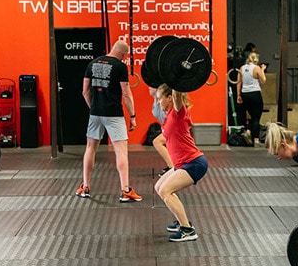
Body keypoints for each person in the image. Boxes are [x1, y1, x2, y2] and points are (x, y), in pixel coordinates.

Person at [75, 40, 142, 202]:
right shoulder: (119, 66)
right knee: (121, 150)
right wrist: (132, 116)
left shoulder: (92, 64)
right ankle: (125, 190)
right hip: (114, 114)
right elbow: (126, 93)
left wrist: (94, 108)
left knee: (90, 148)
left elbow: (85, 91)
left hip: (95, 113)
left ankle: (85, 187)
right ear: (122, 54)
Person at [154, 84, 208, 242]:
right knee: (159, 187)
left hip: (194, 163)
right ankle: (181, 219)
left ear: (169, 98)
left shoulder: (179, 113)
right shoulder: (169, 114)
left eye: (159, 99)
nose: (158, 103)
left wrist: (175, 79)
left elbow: (178, 95)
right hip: (182, 163)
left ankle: (187, 230)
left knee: (166, 191)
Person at [236, 52, 267, 147]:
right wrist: (262, 69)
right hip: (255, 93)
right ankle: (256, 140)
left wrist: (238, 95)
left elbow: (238, 83)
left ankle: (248, 131)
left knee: (253, 116)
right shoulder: (256, 68)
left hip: (245, 94)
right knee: (256, 117)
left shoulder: (241, 68)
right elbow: (263, 80)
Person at [148, 87, 173, 177]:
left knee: (157, 142)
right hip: (169, 129)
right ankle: (174, 166)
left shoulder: (168, 103)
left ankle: (172, 167)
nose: (149, 87)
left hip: (175, 130)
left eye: (151, 86)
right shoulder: (158, 102)